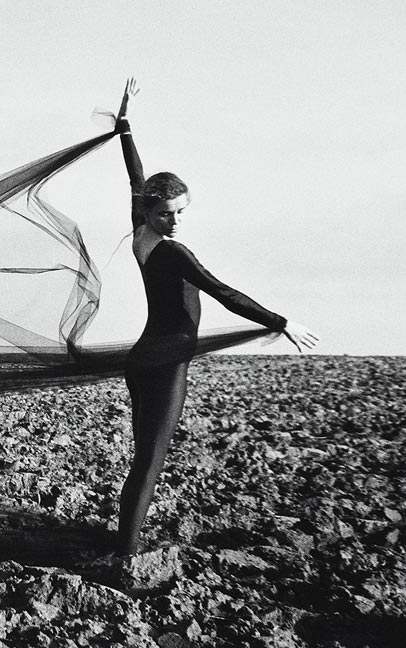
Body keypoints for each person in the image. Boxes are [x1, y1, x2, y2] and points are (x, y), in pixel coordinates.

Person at [111, 79, 318, 555]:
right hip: (163, 364)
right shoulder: (171, 252)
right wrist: (281, 321)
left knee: (144, 459)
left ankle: (122, 543)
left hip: (143, 358)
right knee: (150, 462)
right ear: (151, 213)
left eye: (180, 212)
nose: (175, 221)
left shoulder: (140, 229)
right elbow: (224, 293)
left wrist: (125, 124)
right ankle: (123, 558)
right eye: (165, 214)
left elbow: (134, 177)